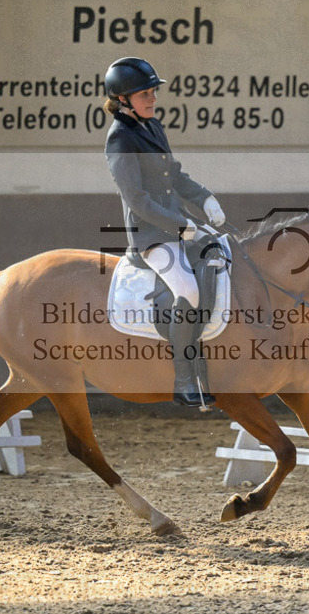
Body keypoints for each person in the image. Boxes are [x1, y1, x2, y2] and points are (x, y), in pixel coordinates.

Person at [103, 57, 226, 408]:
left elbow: (176, 176)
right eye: (145, 94)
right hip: (152, 236)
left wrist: (205, 199)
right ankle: (185, 380)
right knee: (187, 289)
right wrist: (181, 226)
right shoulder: (120, 139)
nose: (153, 98)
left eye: (153, 92)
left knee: (223, 258)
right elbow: (137, 201)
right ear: (123, 99)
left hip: (179, 222)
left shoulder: (152, 126)